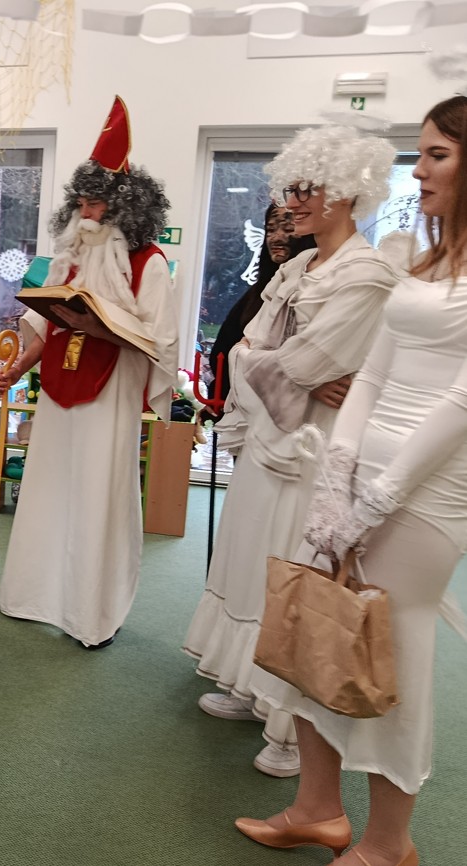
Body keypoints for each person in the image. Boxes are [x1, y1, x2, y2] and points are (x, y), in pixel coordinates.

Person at [238, 96, 467, 866]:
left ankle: (388, 841)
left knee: (388, 651)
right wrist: (338, 475)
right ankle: (317, 809)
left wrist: (378, 496)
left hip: (428, 493)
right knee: (317, 627)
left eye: (436, 154)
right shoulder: (420, 261)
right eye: (421, 153)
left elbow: (460, 401)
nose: (418, 168)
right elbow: (371, 372)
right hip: (358, 468)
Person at [183, 117, 398, 778]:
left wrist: (275, 363)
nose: (292, 202)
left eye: (308, 188)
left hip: (315, 449)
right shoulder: (299, 264)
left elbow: (303, 360)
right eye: (290, 188)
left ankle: (289, 729)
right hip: (269, 438)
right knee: (252, 562)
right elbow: (250, 349)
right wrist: (276, 363)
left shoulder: (367, 275)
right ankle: (251, 689)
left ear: (346, 191)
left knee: (297, 573)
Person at [0, 96, 179, 649]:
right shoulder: (68, 255)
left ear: (125, 207)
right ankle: (34, 597)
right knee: (48, 488)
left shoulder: (149, 263)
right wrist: (16, 367)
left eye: (96, 204)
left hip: (110, 395)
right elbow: (44, 323)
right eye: (81, 202)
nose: (86, 213)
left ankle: (89, 614)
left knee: (97, 495)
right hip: (58, 392)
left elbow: (161, 342)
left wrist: (99, 328)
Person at [201, 204, 316, 417]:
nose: (276, 238)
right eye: (270, 230)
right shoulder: (260, 291)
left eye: (288, 228)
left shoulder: (311, 291)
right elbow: (226, 347)